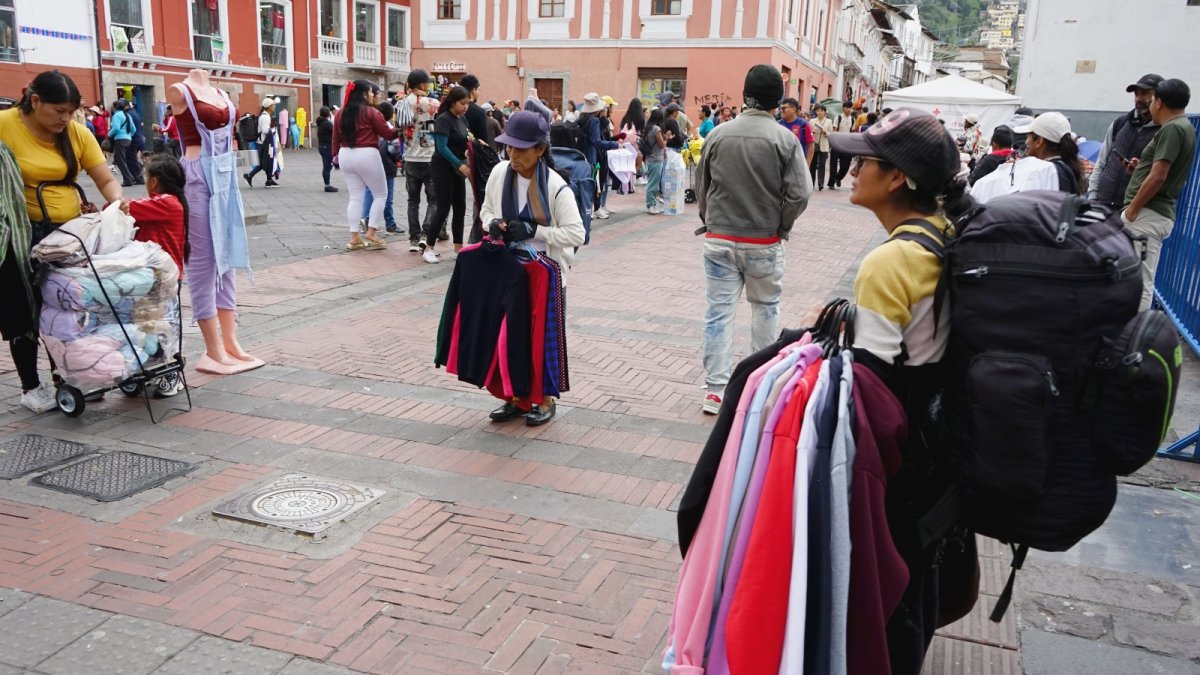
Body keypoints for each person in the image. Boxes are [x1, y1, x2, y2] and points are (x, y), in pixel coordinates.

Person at [829, 105, 977, 675]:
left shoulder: (890, 262)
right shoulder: (945, 233)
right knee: (919, 585)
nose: (851, 170)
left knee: (891, 601)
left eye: (864, 162)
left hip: (904, 458)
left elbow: (871, 383)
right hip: (944, 444)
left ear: (897, 178)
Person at [0, 70, 126, 413]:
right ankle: (30, 385)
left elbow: (105, 179)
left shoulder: (77, 133)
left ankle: (68, 377)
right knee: (22, 310)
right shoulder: (5, 125)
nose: (66, 119)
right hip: (18, 236)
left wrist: (116, 202)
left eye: (71, 112)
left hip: (66, 238)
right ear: (35, 100)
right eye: (59, 111)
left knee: (66, 306)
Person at [694, 64, 811, 414]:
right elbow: (800, 193)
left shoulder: (718, 134)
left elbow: (702, 184)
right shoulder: (785, 139)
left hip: (719, 237)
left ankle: (715, 390)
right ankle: (758, 385)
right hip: (763, 240)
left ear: (745, 95)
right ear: (778, 101)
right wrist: (782, 225)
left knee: (718, 313)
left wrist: (709, 219)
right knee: (766, 309)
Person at [478, 110, 587, 426]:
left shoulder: (555, 186)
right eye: (509, 146)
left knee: (542, 338)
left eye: (521, 148)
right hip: (507, 270)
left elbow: (576, 233)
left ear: (540, 149)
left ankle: (545, 399)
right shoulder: (500, 173)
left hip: (544, 273)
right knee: (508, 335)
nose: (513, 154)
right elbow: (485, 210)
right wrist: (493, 224)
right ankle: (514, 396)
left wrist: (535, 231)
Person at [166, 69, 261, 375]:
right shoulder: (179, 91)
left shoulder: (219, 92)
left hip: (225, 173)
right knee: (203, 262)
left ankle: (231, 343)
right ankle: (213, 348)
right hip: (196, 176)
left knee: (229, 256)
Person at [1123, 77, 1196, 310]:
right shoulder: (1185, 127)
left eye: (1152, 99)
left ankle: (1138, 330)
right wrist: (1140, 169)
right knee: (1137, 279)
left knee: (1139, 282)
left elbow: (1159, 176)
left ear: (1159, 102)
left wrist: (1133, 209)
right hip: (1152, 213)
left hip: (1147, 214)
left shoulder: (1172, 128)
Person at [129, 153, 189, 397]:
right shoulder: (165, 203)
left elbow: (128, 208)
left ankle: (172, 373)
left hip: (164, 278)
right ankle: (151, 369)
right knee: (147, 324)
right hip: (149, 277)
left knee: (166, 326)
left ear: (154, 181)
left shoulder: (166, 203)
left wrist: (112, 205)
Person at [333, 80, 398, 252]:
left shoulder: (340, 113)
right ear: (363, 94)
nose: (372, 95)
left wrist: (334, 157)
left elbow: (335, 138)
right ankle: (371, 232)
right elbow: (388, 134)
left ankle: (354, 238)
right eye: (370, 92)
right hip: (367, 153)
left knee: (355, 197)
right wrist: (401, 128)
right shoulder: (371, 112)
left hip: (345, 154)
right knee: (381, 194)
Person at [1088, 73, 1164, 210]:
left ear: (1159, 98)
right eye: (1136, 94)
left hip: (1134, 209)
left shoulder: (1163, 131)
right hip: (1102, 203)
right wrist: (1092, 196)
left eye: (1145, 93)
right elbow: (1101, 162)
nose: (1138, 98)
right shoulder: (1120, 123)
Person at [426, 85, 471, 262]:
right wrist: (459, 164)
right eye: (462, 103)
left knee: (460, 207)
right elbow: (442, 147)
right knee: (443, 207)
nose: (465, 106)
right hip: (442, 167)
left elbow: (466, 140)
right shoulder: (444, 119)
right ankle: (429, 247)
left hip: (458, 168)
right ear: (453, 102)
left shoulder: (463, 120)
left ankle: (458, 248)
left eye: (467, 103)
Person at [401, 69, 440, 254]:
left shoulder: (401, 104)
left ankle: (414, 238)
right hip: (429, 156)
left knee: (412, 201)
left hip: (410, 156)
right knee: (434, 200)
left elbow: (398, 128)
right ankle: (426, 234)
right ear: (423, 85)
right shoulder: (433, 103)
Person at [1013, 112, 1084, 194]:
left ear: (1039, 141)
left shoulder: (1047, 172)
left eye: (1028, 137)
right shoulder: (1063, 168)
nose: (1026, 142)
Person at [577, 93, 621, 219]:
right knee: (593, 183)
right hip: (591, 155)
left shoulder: (581, 118)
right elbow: (596, 141)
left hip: (580, 154)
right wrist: (615, 144)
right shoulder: (594, 120)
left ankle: (585, 209)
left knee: (584, 184)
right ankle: (591, 210)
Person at [361, 100, 400, 235]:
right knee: (386, 195)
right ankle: (390, 223)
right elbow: (394, 150)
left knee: (369, 191)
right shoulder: (390, 128)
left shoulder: (371, 125)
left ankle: (365, 219)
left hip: (370, 162)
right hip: (387, 165)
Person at [242, 98, 279, 187]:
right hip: (263, 144)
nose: (274, 107)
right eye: (273, 105)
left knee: (266, 161)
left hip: (264, 143)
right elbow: (265, 130)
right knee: (264, 162)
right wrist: (274, 130)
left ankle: (268, 179)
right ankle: (250, 176)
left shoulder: (265, 116)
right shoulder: (265, 117)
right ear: (268, 107)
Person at [109, 100, 143, 186]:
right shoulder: (127, 115)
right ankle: (131, 177)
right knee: (124, 159)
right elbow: (133, 129)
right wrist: (129, 135)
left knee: (121, 161)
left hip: (120, 139)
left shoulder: (116, 115)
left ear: (115, 107)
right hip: (128, 140)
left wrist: (108, 135)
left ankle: (128, 179)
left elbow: (116, 128)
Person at [778, 97, 815, 171]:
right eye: (780, 108)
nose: (781, 110)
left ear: (793, 109)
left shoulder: (804, 125)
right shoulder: (778, 124)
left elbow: (811, 146)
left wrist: (807, 166)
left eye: (784, 108)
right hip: (781, 165)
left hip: (798, 165)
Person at [643, 108, 667, 214]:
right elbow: (661, 145)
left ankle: (653, 204)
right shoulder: (656, 129)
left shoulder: (648, 128)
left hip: (650, 158)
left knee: (653, 182)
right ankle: (650, 205)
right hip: (656, 158)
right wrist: (667, 138)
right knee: (653, 184)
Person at [829, 100, 855, 188]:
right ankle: (831, 183)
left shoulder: (852, 119)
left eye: (850, 108)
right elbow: (834, 130)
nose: (848, 109)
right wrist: (833, 143)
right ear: (843, 108)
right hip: (837, 143)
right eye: (847, 107)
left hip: (847, 144)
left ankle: (838, 177)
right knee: (833, 164)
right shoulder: (838, 118)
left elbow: (852, 132)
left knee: (845, 165)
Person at [458, 74, 491, 144]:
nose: (479, 93)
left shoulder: (454, 108)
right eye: (478, 89)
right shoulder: (480, 112)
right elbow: (484, 140)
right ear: (473, 90)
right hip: (473, 149)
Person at [810, 104, 834, 190]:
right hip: (814, 144)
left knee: (822, 165)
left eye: (822, 111)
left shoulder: (829, 121)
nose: (820, 112)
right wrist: (812, 132)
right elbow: (809, 132)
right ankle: (811, 182)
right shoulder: (812, 121)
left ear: (825, 112)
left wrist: (825, 132)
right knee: (812, 164)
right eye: (818, 111)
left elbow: (830, 134)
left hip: (824, 145)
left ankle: (820, 183)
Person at [316, 106, 337, 193]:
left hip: (321, 146)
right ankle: (327, 185)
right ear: (328, 114)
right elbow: (335, 133)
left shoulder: (320, 123)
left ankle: (327, 184)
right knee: (327, 166)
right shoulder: (327, 124)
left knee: (326, 166)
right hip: (327, 146)